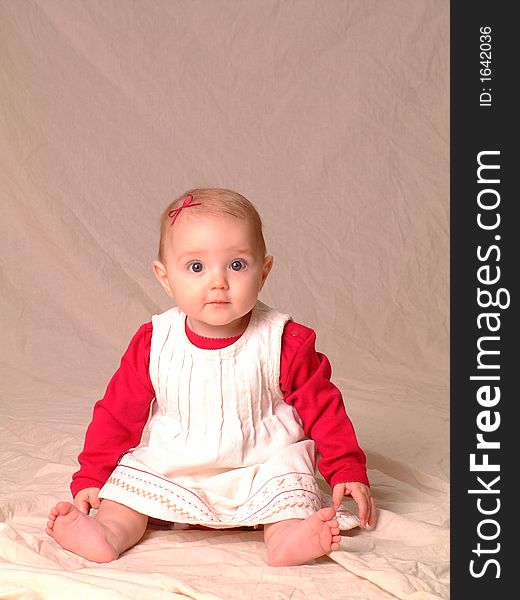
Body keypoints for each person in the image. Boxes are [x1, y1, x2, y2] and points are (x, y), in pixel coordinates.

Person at [46, 188, 377, 566]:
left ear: (263, 272)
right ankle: (107, 532)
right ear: (165, 277)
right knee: (127, 492)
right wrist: (91, 474)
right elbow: (117, 414)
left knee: (290, 488)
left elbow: (324, 410)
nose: (218, 282)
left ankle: (287, 538)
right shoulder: (155, 341)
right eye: (196, 267)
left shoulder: (284, 341)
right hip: (176, 460)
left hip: (262, 462)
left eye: (236, 265)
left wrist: (346, 467)